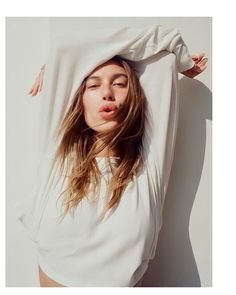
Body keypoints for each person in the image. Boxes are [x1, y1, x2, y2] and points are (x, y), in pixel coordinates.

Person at [15, 24, 208, 287]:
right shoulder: (57, 160)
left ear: (136, 97)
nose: (107, 92)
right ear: (78, 100)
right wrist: (57, 69)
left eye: (119, 83)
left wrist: (180, 58)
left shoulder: (148, 169)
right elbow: (66, 45)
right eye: (93, 86)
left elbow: (164, 57)